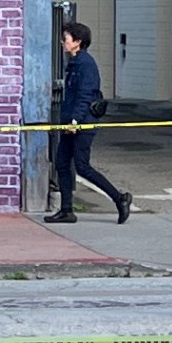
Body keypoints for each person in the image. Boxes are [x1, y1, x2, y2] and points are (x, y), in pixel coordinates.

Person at [47, 15, 131, 225]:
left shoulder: (86, 64)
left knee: (82, 166)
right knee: (62, 163)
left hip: (82, 123)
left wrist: (75, 120)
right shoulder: (73, 63)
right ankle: (66, 210)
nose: (63, 42)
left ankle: (120, 198)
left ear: (78, 41)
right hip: (71, 122)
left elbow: (85, 94)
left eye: (66, 38)